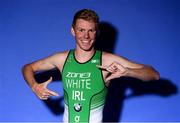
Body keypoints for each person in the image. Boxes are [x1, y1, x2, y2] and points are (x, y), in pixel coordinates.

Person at [22, 9, 160, 123]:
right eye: (81, 30)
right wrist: (34, 86)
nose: (86, 36)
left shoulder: (107, 60)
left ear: (97, 32)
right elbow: (28, 68)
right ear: (73, 31)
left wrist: (128, 72)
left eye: (91, 30)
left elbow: (153, 74)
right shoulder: (62, 59)